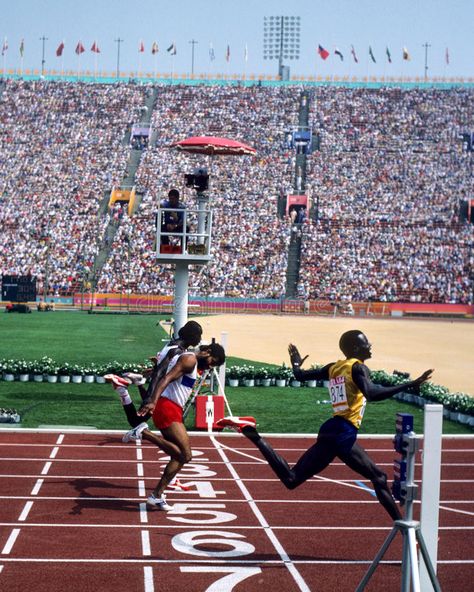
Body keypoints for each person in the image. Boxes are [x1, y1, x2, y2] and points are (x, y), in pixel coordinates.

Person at [217, 330, 433, 522]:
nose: (370, 346)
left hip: (332, 428)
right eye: (367, 343)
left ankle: (251, 432)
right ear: (356, 348)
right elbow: (372, 393)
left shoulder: (335, 367)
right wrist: (410, 384)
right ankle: (404, 530)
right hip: (343, 432)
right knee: (379, 477)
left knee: (292, 479)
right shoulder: (358, 368)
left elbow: (299, 376)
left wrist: (295, 364)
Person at [110, 337, 226, 511]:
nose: (210, 366)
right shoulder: (190, 359)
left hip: (173, 409)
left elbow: (163, 373)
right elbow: (167, 379)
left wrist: (149, 376)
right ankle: (144, 432)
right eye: (212, 362)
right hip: (168, 408)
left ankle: (156, 495)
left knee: (178, 456)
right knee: (185, 455)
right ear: (207, 351)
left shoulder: (192, 362)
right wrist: (152, 401)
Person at [105, 320, 203, 492]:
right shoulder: (177, 350)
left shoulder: (173, 347)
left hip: (162, 393)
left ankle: (128, 388)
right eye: (198, 335)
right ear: (191, 336)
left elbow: (162, 369)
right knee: (179, 451)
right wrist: (151, 398)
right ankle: (128, 390)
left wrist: (153, 375)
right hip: (162, 396)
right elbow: (161, 374)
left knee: (138, 422)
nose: (200, 339)